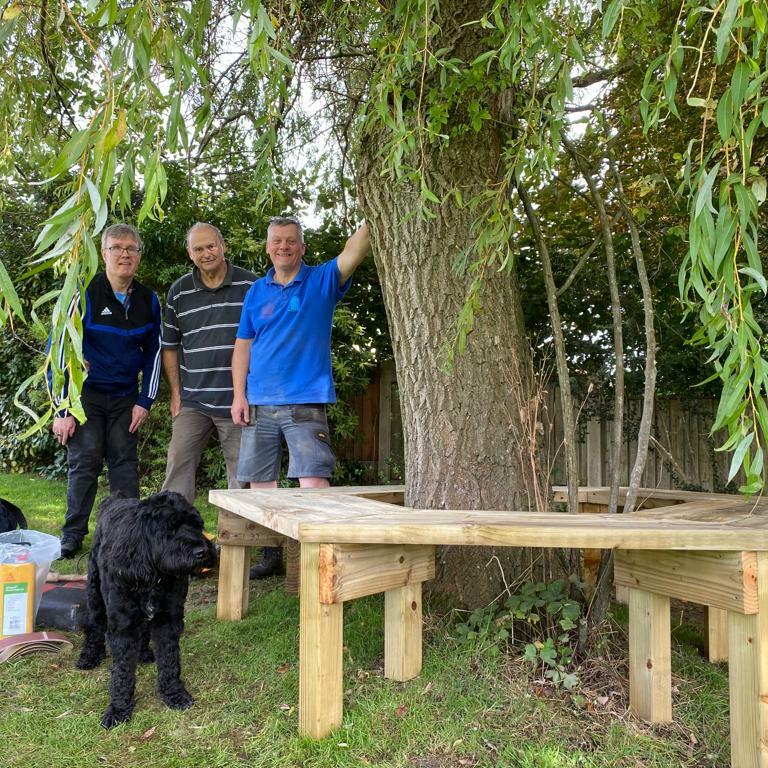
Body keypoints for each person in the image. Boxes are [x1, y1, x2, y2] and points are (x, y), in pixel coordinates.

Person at [231, 215, 371, 579]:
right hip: (259, 401)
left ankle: (314, 562)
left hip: (305, 400)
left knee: (312, 480)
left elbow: (352, 253)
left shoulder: (320, 280)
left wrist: (372, 216)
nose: (283, 246)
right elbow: (243, 345)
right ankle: (274, 555)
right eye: (276, 240)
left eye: (291, 240)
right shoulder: (256, 291)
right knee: (261, 483)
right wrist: (239, 395)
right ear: (267, 247)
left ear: (302, 247)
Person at [51, 223, 162, 559]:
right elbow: (59, 352)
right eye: (117, 247)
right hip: (86, 398)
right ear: (103, 254)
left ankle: (126, 535)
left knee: (124, 464)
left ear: (139, 256)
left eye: (131, 248)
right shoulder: (83, 293)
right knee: (84, 462)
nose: (124, 254)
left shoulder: (148, 300)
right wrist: (62, 409)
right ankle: (72, 535)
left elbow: (155, 353)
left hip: (126, 398)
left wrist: (145, 401)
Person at [161, 222, 256, 502]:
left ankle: (241, 540)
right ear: (190, 254)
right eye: (198, 249)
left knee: (244, 475)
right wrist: (176, 393)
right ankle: (173, 538)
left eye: (211, 246)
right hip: (193, 401)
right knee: (177, 464)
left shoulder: (251, 285)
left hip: (239, 399)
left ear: (223, 246)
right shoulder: (178, 293)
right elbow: (169, 346)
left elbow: (265, 340)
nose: (206, 253)